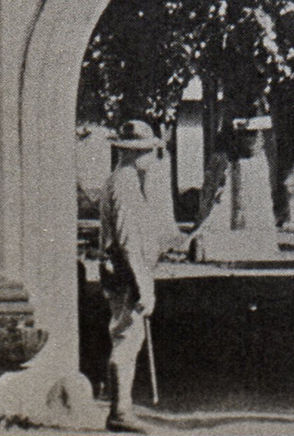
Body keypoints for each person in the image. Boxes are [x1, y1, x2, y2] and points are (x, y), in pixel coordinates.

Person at [99, 119, 166, 433]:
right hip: (126, 272)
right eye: (147, 150)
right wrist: (144, 285)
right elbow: (127, 240)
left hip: (124, 270)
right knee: (127, 336)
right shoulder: (124, 184)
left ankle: (121, 408)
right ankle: (120, 411)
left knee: (129, 335)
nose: (151, 156)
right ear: (134, 152)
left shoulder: (123, 180)